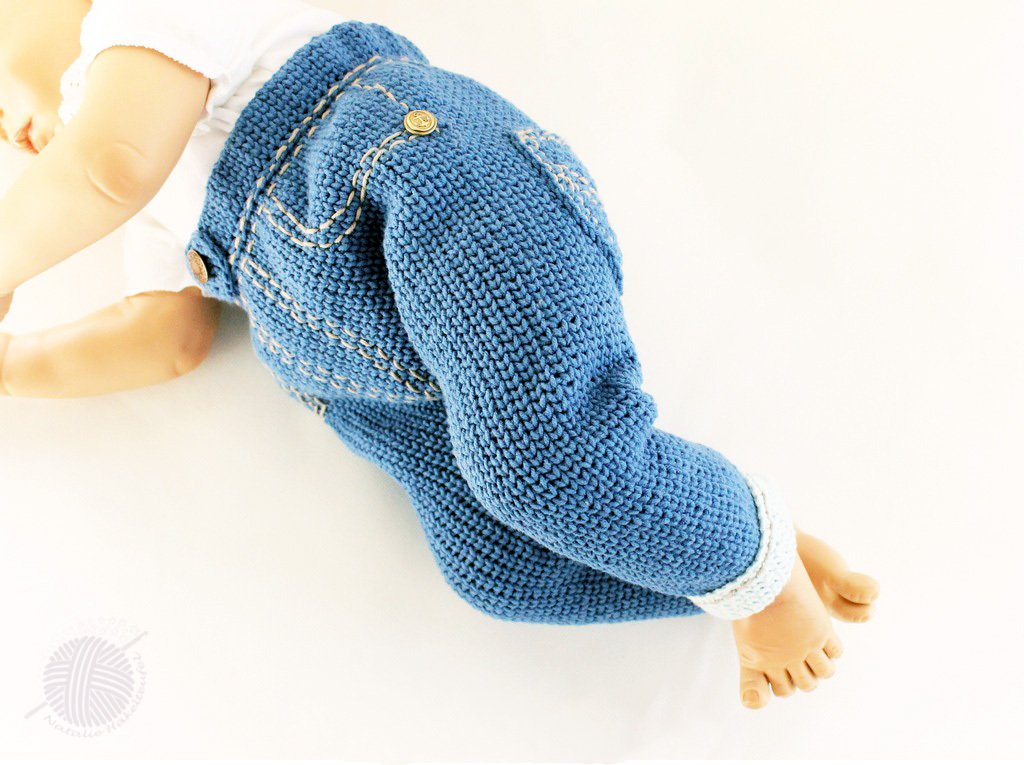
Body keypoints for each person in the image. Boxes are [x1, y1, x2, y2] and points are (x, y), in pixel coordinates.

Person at [0, 0, 879, 709]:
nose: (8, 132)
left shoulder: (143, 24)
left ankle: (754, 578)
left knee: (542, 469)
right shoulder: (165, 216)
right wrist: (12, 362)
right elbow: (167, 336)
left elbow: (109, 165)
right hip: (371, 364)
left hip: (425, 180)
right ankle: (720, 539)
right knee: (498, 566)